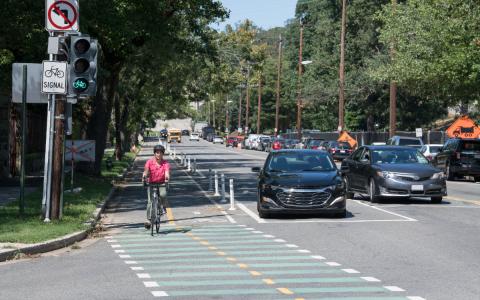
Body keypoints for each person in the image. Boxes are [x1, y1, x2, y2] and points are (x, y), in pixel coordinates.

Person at [142, 145, 170, 229]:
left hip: (161, 183)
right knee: (150, 201)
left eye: (160, 153)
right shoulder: (149, 162)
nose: (158, 154)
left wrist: (167, 178)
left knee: (163, 195)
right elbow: (146, 171)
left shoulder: (165, 163)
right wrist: (144, 176)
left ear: (163, 154)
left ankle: (162, 208)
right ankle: (148, 220)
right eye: (157, 153)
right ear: (154, 153)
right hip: (151, 183)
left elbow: (167, 172)